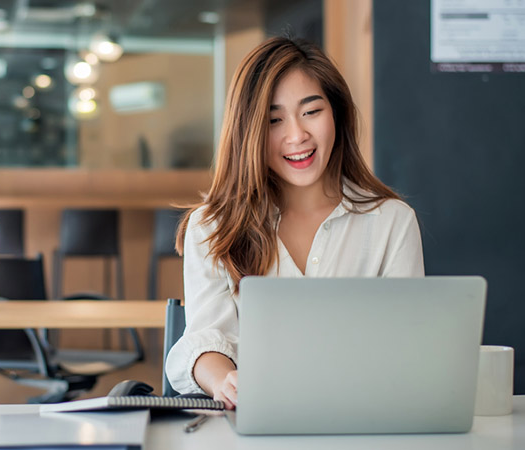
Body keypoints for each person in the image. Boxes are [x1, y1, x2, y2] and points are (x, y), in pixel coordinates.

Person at [165, 37, 424, 409]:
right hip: (256, 422)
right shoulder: (213, 226)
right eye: (274, 120)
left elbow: (408, 346)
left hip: (364, 418)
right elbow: (207, 339)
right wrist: (225, 381)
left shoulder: (392, 222)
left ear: (337, 113)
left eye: (312, 111)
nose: (297, 135)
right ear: (249, 131)